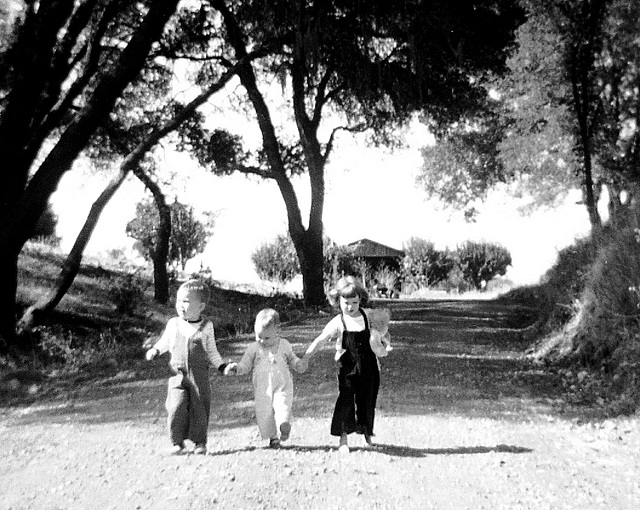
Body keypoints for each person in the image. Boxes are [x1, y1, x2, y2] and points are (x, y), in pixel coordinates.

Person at [303, 275, 390, 453]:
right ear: (337, 300)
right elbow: (321, 339)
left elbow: (382, 331)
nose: (350, 307)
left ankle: (367, 433)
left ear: (361, 300)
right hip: (347, 367)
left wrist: (384, 342)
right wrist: (306, 357)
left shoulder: (368, 315)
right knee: (345, 400)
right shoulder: (338, 322)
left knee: (367, 399)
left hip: (369, 366)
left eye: (355, 302)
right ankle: (343, 438)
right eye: (346, 302)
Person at [146, 279, 231, 455]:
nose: (181, 305)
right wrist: (155, 350)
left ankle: (200, 442)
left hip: (199, 376)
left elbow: (212, 351)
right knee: (175, 406)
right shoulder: (174, 324)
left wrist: (222, 366)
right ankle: (177, 442)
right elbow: (165, 342)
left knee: (200, 407)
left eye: (186, 301)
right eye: (178, 301)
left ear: (200, 306)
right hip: (178, 375)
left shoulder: (207, 327)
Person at [225, 308, 308, 448]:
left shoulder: (284, 345)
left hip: (283, 383)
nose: (262, 340)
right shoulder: (253, 348)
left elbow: (292, 359)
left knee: (283, 404)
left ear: (277, 330)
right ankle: (273, 437)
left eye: (267, 337)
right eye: (259, 336)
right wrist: (236, 368)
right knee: (264, 411)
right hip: (262, 387)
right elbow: (245, 365)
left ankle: (283, 424)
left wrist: (298, 364)